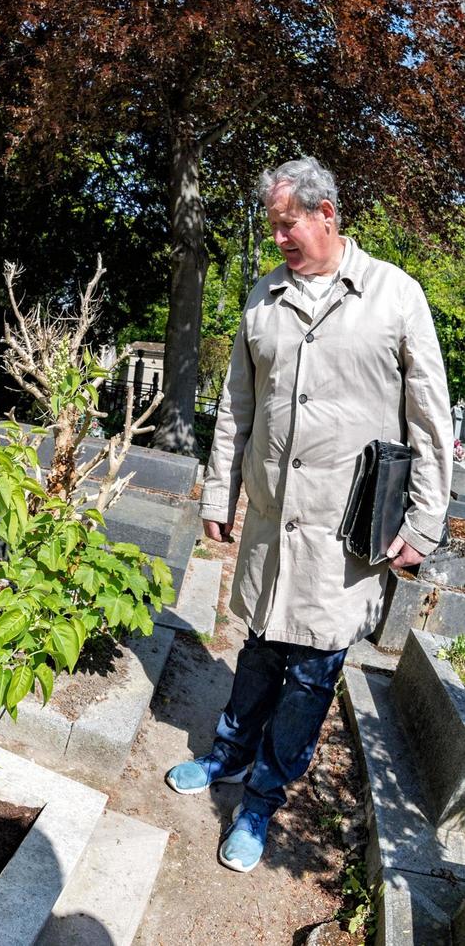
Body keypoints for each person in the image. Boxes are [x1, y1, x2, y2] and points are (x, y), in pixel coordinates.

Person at [166, 156, 451, 873]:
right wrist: (217, 495)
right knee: (260, 646)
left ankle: (260, 802)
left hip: (346, 532)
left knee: (311, 673)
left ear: (327, 215)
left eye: (287, 225)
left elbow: (430, 420)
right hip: (271, 521)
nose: (279, 241)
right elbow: (235, 407)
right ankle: (228, 755)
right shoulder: (264, 298)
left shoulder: (395, 296)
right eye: (273, 228)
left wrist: (421, 526)